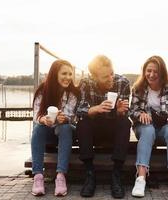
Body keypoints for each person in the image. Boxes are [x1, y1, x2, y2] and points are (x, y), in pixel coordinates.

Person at [76, 55, 131, 198]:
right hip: (94, 128)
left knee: (125, 122)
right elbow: (79, 109)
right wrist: (96, 109)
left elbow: (126, 113)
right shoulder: (85, 83)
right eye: (105, 76)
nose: (111, 78)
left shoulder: (123, 82)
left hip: (113, 127)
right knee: (83, 123)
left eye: (112, 73)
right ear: (94, 76)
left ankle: (116, 174)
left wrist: (120, 111)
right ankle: (90, 174)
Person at [130, 55, 168, 198]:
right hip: (145, 126)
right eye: (148, 71)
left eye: (156, 71)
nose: (151, 75)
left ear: (162, 72)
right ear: (144, 71)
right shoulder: (138, 88)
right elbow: (132, 111)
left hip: (165, 126)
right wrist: (140, 114)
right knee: (147, 129)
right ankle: (141, 178)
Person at [31, 60, 78, 196]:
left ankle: (60, 176)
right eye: (64, 73)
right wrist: (43, 119)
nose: (68, 77)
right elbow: (36, 114)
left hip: (65, 131)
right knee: (38, 128)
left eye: (70, 74)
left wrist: (65, 118)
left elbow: (73, 117)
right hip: (48, 129)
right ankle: (38, 176)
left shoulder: (73, 93)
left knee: (65, 127)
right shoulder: (42, 90)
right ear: (54, 74)